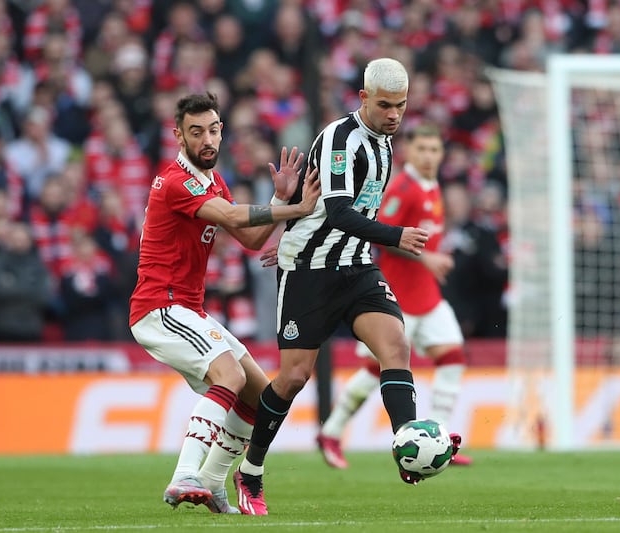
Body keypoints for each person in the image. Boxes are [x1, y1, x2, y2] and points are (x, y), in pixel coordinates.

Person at [233, 58, 459, 516]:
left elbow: (349, 216)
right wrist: (397, 236)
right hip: (309, 270)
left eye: (400, 105)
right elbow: (337, 213)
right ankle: (250, 472)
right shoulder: (341, 139)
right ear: (362, 98)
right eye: (384, 105)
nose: (394, 114)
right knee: (294, 377)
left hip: (356, 267)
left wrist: (312, 231)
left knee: (395, 345)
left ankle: (407, 443)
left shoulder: (385, 143)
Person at [128, 92, 320, 514]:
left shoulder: (213, 182)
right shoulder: (174, 182)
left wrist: (280, 201)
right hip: (159, 307)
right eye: (196, 132)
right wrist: (297, 209)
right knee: (228, 374)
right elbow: (234, 219)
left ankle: (214, 483)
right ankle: (185, 475)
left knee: (256, 396)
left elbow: (250, 239)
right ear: (178, 135)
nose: (207, 140)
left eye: (213, 130)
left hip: (188, 309)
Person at [316, 124, 473, 469]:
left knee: (453, 357)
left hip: (427, 295)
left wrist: (431, 260)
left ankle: (440, 437)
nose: (429, 156)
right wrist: (428, 258)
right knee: (377, 369)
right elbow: (383, 235)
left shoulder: (432, 187)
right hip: (399, 294)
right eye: (422, 150)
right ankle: (331, 431)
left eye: (435, 150)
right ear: (409, 153)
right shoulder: (403, 188)